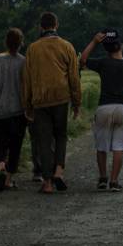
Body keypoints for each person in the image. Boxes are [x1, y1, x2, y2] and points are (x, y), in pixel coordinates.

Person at [21, 12, 82, 195]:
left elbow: (27, 79)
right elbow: (74, 77)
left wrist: (27, 105)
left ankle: (47, 183)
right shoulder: (67, 46)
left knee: (44, 140)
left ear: (41, 26)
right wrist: (77, 102)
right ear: (57, 25)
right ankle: (59, 172)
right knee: (61, 135)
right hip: (61, 98)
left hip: (40, 100)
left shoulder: (32, 49)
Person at [79, 29, 123, 192]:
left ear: (106, 49)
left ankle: (102, 178)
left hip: (104, 107)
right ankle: (114, 181)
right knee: (118, 146)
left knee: (102, 146)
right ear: (121, 46)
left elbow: (82, 60)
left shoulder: (102, 63)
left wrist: (94, 41)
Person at [0, 28, 28, 192]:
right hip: (18, 111)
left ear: (5, 42)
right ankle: (8, 179)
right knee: (15, 145)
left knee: (0, 142)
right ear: (21, 43)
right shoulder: (23, 61)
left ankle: (1, 165)